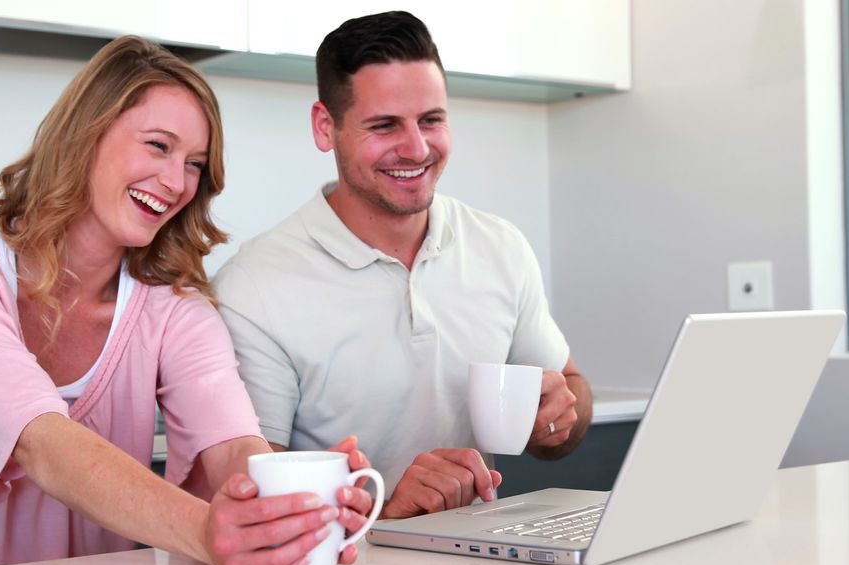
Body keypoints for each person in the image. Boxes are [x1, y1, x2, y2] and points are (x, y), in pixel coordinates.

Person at [0, 36, 373, 565]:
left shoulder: (175, 309)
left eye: (195, 164)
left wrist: (294, 505)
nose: (175, 182)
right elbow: (40, 443)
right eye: (158, 146)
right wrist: (206, 531)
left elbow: (232, 443)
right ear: (85, 137)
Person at [212, 11, 593, 520]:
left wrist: (559, 418)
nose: (416, 148)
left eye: (431, 119)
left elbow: (568, 391)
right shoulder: (253, 285)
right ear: (326, 128)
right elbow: (258, 504)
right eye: (385, 125)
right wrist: (386, 513)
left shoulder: (500, 247)